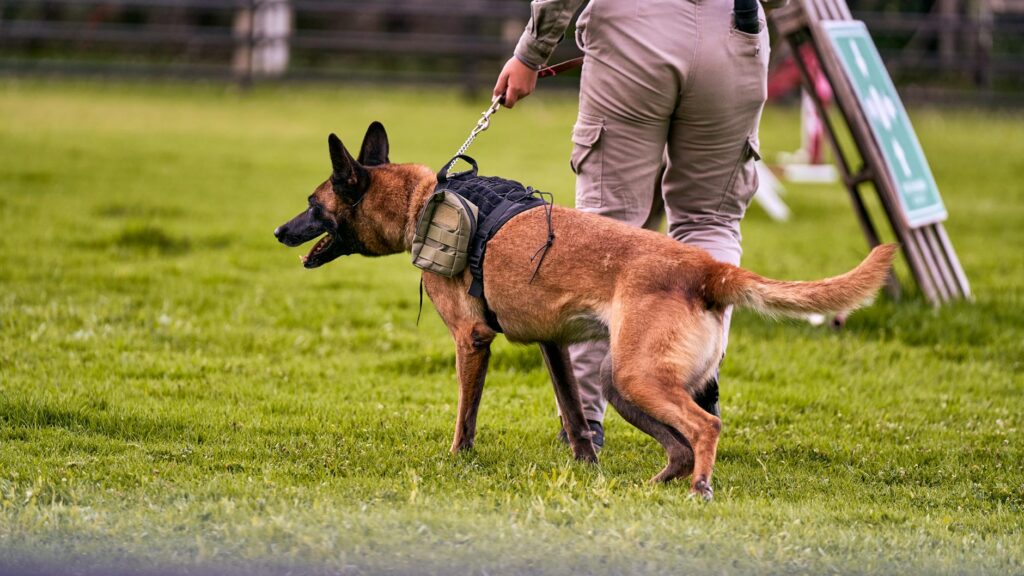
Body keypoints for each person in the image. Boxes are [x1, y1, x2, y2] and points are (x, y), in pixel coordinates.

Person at [493, 0, 781, 447]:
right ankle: (697, 386)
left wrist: (531, 53)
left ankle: (583, 423)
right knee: (711, 222)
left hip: (633, 30)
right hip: (735, 29)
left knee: (603, 233)